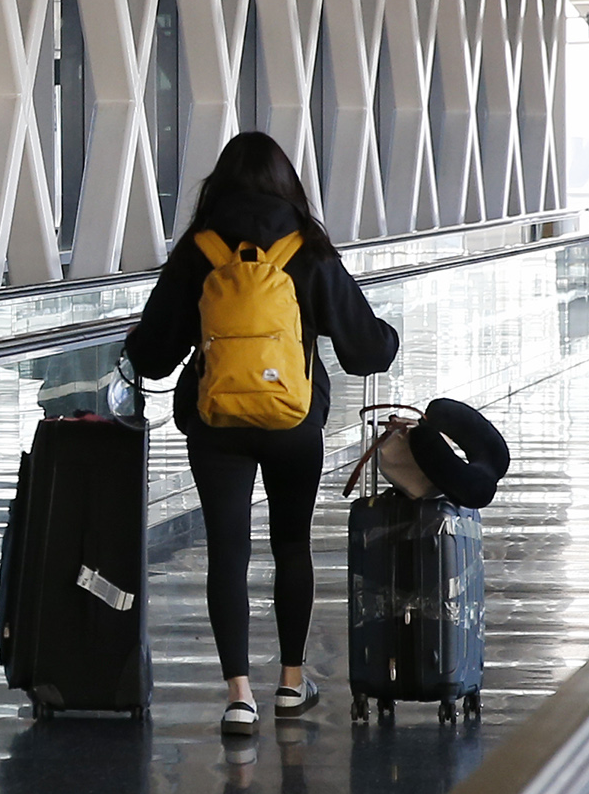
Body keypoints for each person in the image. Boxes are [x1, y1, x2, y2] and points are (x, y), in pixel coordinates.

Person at [125, 132, 399, 735]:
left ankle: (238, 695)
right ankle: (291, 684)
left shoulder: (199, 250)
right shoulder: (308, 247)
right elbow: (364, 351)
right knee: (290, 545)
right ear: (286, 183)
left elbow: (152, 355)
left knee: (227, 550)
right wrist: (386, 337)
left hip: (215, 422)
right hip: (294, 421)